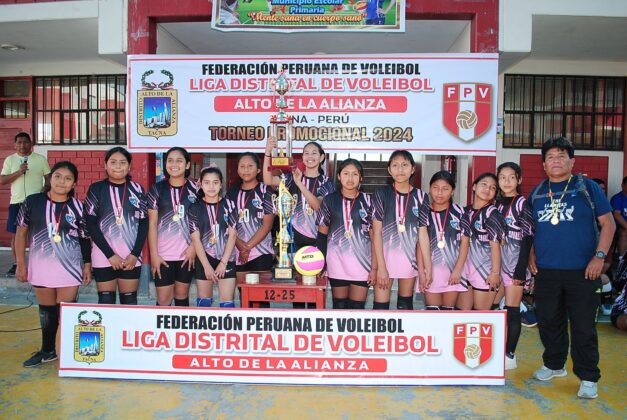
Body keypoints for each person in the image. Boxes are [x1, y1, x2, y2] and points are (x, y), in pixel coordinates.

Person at [528, 137, 615, 399]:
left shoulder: (586, 187)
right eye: (551, 157)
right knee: (548, 322)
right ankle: (554, 364)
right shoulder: (538, 191)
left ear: (572, 161)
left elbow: (608, 224)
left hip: (583, 270)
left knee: (583, 325)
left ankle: (588, 376)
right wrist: (531, 255)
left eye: (561, 156)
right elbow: (532, 230)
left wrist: (599, 256)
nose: (556, 161)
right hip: (546, 271)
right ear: (543, 164)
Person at [15, 161, 91, 367]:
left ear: (74, 183)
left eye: (67, 178)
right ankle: (48, 351)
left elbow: (84, 238)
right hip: (41, 265)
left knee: (66, 311)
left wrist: (87, 264)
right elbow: (21, 233)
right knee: (47, 311)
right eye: (58, 176)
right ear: (50, 178)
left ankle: (69, 354)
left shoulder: (78, 206)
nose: (61, 182)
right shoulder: (32, 202)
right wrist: (21, 263)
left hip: (69, 267)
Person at [263, 138, 335, 308]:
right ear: (302, 157)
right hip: (294, 239)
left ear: (322, 157)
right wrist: (267, 152)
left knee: (313, 292)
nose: (310, 156)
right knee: (297, 293)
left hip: (317, 241)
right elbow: (267, 180)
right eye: (306, 153)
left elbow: (318, 206)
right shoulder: (290, 178)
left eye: (314, 153)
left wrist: (299, 184)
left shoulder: (326, 182)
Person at [84, 147, 148, 305]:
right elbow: (91, 224)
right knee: (106, 301)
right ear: (105, 165)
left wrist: (135, 254)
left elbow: (144, 222)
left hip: (131, 257)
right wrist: (110, 255)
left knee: (129, 301)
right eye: (113, 162)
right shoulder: (96, 189)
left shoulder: (137, 189)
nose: (118, 166)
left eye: (122, 162)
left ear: (129, 166)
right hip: (104, 255)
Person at [372, 150, 431, 310]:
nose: (400, 169)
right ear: (389, 170)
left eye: (405, 165)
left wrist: (427, 267)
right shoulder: (381, 193)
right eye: (395, 165)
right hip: (385, 259)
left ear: (413, 169)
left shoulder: (421, 196)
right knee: (380, 308)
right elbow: (376, 233)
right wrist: (380, 267)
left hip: (410, 260)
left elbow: (423, 234)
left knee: (405, 306)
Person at [317, 158, 376, 309]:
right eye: (346, 173)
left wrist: (374, 267)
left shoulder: (369, 201)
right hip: (337, 262)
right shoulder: (329, 200)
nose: (350, 179)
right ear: (339, 176)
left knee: (357, 307)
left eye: (355, 174)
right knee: (339, 306)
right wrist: (321, 263)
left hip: (362, 263)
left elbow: (375, 237)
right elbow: (322, 234)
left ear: (361, 178)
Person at [495, 162, 535, 370]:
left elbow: (528, 237)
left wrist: (521, 268)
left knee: (511, 310)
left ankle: (509, 354)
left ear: (519, 179)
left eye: (511, 177)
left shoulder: (523, 204)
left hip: (514, 264)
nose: (507, 181)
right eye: (502, 177)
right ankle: (494, 349)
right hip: (495, 264)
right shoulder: (496, 204)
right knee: (492, 308)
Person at [147, 147, 197, 306]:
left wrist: (194, 248)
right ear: (165, 164)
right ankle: (158, 332)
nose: (174, 164)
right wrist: (154, 255)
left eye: (179, 160)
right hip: (163, 255)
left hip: (187, 254)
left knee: (182, 297)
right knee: (163, 300)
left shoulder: (197, 189)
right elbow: (152, 223)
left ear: (187, 165)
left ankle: (183, 332)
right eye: (170, 160)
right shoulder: (157, 189)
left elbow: (203, 222)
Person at [225, 153, 275, 300]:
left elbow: (267, 225)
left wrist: (247, 247)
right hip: (238, 252)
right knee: (244, 296)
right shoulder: (232, 192)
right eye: (242, 166)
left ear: (259, 170)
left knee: (262, 297)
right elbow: (228, 224)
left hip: (261, 251)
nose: (246, 170)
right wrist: (241, 246)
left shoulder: (266, 191)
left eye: (250, 166)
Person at [0, 132, 50, 277]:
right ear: (15, 145)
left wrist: (43, 192)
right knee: (16, 235)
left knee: (38, 233)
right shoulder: (10, 160)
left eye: (25, 142)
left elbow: (48, 179)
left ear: (31, 144)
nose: (22, 145)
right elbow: (2, 180)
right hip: (17, 203)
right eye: (19, 142)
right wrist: (19, 172)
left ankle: (40, 261)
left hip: (36, 203)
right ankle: (17, 264)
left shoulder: (40, 159)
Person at [189, 166, 238, 307]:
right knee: (204, 303)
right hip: (204, 259)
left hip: (227, 258)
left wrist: (223, 263)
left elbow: (233, 236)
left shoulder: (229, 204)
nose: (211, 186)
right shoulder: (194, 208)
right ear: (201, 184)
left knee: (227, 304)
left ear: (221, 184)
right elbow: (195, 239)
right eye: (207, 182)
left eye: (215, 182)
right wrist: (206, 266)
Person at [419, 171, 468, 310]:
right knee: (433, 312)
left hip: (453, 271)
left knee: (448, 313)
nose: (439, 192)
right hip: (431, 272)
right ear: (429, 188)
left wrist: (458, 269)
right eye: (435, 187)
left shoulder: (460, 212)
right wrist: (422, 273)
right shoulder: (424, 212)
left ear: (452, 191)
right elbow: (420, 246)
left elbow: (465, 242)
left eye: (445, 188)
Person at [457, 173, 506, 311]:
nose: (487, 189)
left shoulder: (492, 214)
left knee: (481, 316)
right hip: (465, 270)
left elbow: (496, 246)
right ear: (474, 186)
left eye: (492, 187)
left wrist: (495, 273)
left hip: (485, 272)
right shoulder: (464, 211)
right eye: (484, 184)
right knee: (462, 314)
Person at [610, 176, 627, 257]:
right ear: (622, 185)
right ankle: (622, 260)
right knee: (624, 233)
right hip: (619, 227)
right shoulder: (617, 198)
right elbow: (617, 215)